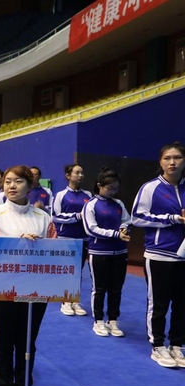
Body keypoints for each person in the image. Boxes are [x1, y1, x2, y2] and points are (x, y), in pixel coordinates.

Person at [0, 165, 57, 386]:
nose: (12, 186)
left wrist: (39, 245)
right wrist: (18, 244)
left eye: (19, 181)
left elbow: (55, 249)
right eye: (8, 181)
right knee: (4, 339)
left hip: (35, 288)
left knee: (27, 340)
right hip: (2, 286)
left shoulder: (43, 217)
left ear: (31, 185)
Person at [131, 142, 185, 368]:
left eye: (177, 158)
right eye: (167, 158)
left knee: (182, 303)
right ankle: (158, 346)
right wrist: (172, 219)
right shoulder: (150, 188)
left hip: (183, 256)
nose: (172, 162)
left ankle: (177, 345)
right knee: (159, 303)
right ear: (161, 162)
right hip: (159, 255)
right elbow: (137, 217)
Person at [82, 168, 131, 337]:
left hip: (120, 252)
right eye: (109, 188)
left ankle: (113, 320)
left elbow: (127, 220)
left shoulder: (119, 204)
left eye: (116, 188)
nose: (113, 191)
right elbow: (91, 229)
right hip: (99, 252)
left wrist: (124, 228)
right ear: (99, 185)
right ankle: (98, 321)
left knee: (116, 288)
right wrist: (116, 234)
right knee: (99, 288)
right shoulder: (90, 205)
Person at [52, 164, 92, 317]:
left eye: (82, 173)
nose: (80, 175)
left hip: (83, 238)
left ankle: (74, 300)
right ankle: (65, 301)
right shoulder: (61, 195)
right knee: (67, 270)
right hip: (66, 238)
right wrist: (77, 216)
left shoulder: (87, 194)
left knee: (78, 271)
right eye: (77, 173)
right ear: (68, 175)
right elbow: (55, 216)